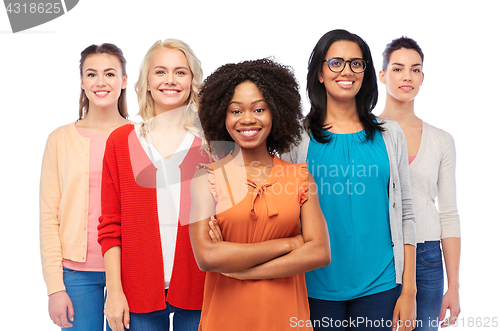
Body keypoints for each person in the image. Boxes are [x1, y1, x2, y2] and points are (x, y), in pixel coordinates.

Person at [282, 29, 417, 330]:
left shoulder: (390, 134)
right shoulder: (296, 138)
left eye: (357, 63)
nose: (347, 71)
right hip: (314, 287)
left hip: (380, 286)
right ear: (319, 72)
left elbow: (406, 212)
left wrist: (409, 290)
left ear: (366, 73)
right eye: (336, 63)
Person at [189, 58, 331, 331]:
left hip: (286, 318)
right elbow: (207, 256)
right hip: (226, 319)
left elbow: (320, 252)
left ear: (276, 112)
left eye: (259, 109)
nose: (248, 119)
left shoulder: (300, 176)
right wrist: (290, 244)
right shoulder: (206, 177)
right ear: (222, 116)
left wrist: (240, 269)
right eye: (235, 110)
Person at [98, 39, 208, 331]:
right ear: (146, 82)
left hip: (202, 290)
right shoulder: (121, 142)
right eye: (160, 72)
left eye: (180, 72)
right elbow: (110, 226)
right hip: (136, 293)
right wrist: (115, 292)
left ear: (192, 81)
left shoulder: (212, 144)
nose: (170, 80)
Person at [40, 43, 130, 330]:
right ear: (81, 81)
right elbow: (48, 216)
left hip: (130, 268)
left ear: (124, 81)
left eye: (110, 74)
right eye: (91, 74)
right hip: (76, 272)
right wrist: (55, 286)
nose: (100, 82)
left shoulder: (141, 136)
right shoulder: (60, 139)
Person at [378, 37, 461, 330]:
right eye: (398, 68)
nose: (407, 77)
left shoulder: (441, 140)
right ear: (382, 74)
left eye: (415, 70)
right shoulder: (368, 134)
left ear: (422, 77)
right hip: (380, 252)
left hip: (427, 257)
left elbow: (448, 213)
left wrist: (453, 286)